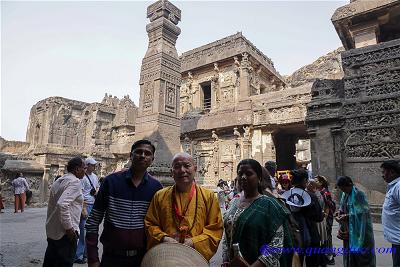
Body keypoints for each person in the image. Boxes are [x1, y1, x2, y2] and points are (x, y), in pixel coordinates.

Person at [85, 140, 162, 267]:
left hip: (142, 258)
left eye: (147, 153)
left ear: (152, 159)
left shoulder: (156, 187)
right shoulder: (111, 182)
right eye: (138, 152)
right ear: (131, 156)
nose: (143, 155)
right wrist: (93, 258)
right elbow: (93, 220)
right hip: (112, 258)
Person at [145, 152, 223, 261]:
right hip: (166, 256)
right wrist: (164, 238)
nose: (182, 170)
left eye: (187, 166)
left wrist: (192, 242)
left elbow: (215, 229)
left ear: (195, 169)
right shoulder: (160, 196)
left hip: (195, 257)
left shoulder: (208, 196)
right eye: (177, 167)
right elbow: (150, 224)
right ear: (172, 172)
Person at [222, 159, 293, 267]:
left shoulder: (270, 205)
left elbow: (276, 245)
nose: (243, 177)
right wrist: (226, 258)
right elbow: (227, 235)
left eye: (249, 173)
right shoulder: (233, 203)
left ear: (259, 178)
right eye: (240, 174)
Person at [43, 157, 86, 267]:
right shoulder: (75, 182)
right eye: (84, 168)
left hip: (53, 231)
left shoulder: (59, 180)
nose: (85, 171)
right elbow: (62, 204)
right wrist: (69, 228)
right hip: (65, 234)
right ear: (77, 169)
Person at [284, 169, 323, 267]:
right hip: (311, 234)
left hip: (294, 236)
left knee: (297, 262)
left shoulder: (286, 196)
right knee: (313, 263)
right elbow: (319, 217)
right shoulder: (311, 196)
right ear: (304, 180)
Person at [335, 176, 376, 267]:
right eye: (341, 189)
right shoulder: (345, 194)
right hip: (349, 230)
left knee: (362, 255)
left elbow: (363, 213)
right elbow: (343, 207)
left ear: (349, 185)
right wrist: (339, 213)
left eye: (344, 188)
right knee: (350, 253)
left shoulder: (359, 194)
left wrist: (347, 216)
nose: (343, 191)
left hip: (361, 230)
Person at [74, 157, 100, 264]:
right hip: (85, 205)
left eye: (94, 165)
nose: (94, 167)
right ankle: (78, 255)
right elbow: (80, 193)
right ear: (87, 165)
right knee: (83, 231)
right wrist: (83, 208)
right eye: (92, 165)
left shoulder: (95, 177)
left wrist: (96, 191)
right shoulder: (83, 178)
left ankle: (86, 254)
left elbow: (97, 186)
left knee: (91, 231)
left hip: (93, 204)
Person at [380, 160, 400, 267]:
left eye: (384, 172)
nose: (382, 175)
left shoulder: (398, 187)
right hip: (396, 240)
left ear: (392, 172)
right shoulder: (393, 186)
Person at [315, 175, 336, 265]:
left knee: (327, 236)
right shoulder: (320, 191)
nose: (314, 182)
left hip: (327, 218)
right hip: (324, 217)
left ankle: (329, 256)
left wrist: (325, 217)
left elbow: (328, 206)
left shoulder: (324, 193)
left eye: (316, 181)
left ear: (321, 183)